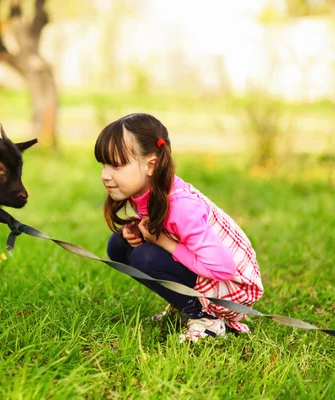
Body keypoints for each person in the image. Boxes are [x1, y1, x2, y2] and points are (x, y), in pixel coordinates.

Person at [95, 113, 263, 342]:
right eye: (104, 165)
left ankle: (206, 318)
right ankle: (185, 303)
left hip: (233, 289)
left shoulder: (181, 207)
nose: (105, 175)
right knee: (119, 244)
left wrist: (162, 242)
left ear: (150, 165)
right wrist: (138, 230)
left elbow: (224, 269)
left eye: (116, 165)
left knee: (145, 256)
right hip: (209, 273)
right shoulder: (149, 190)